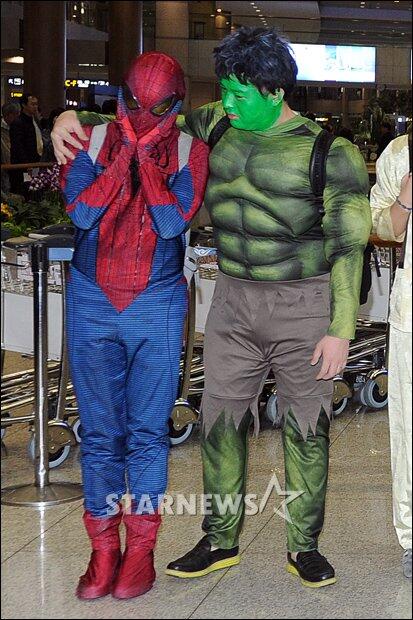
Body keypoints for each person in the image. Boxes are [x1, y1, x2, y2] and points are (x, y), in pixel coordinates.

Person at [52, 27, 372, 589]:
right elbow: (140, 118)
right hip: (233, 298)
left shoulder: (330, 152)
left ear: (274, 90)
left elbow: (349, 245)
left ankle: (304, 546)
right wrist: (66, 117)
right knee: (220, 422)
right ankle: (220, 537)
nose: (227, 101)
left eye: (238, 93)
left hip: (303, 300)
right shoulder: (216, 124)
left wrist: (341, 328)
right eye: (224, 91)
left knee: (306, 427)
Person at [57, 51, 209, 600]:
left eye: (156, 108)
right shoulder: (89, 141)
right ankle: (103, 551)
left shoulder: (191, 151)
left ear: (176, 106)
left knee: (147, 433)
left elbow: (169, 222)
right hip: (92, 297)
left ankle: (139, 552)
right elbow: (82, 214)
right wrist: (124, 155)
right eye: (133, 104)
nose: (143, 115)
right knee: (100, 433)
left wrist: (144, 157)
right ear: (119, 97)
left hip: (157, 302)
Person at [370, 132, 412, 579]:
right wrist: (405, 200)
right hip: (412, 314)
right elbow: (379, 225)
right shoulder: (402, 152)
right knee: (409, 428)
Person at [9, 93, 43, 194]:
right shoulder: (18, 122)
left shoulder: (35, 121)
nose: (35, 107)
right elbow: (17, 146)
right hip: (23, 165)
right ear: (24, 105)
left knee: (35, 190)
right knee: (24, 191)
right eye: (32, 104)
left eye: (36, 104)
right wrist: (26, 164)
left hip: (35, 162)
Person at [1, 101, 20, 193]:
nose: (18, 117)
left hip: (16, 164)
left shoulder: (18, 127)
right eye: (17, 115)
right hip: (4, 165)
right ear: (10, 115)